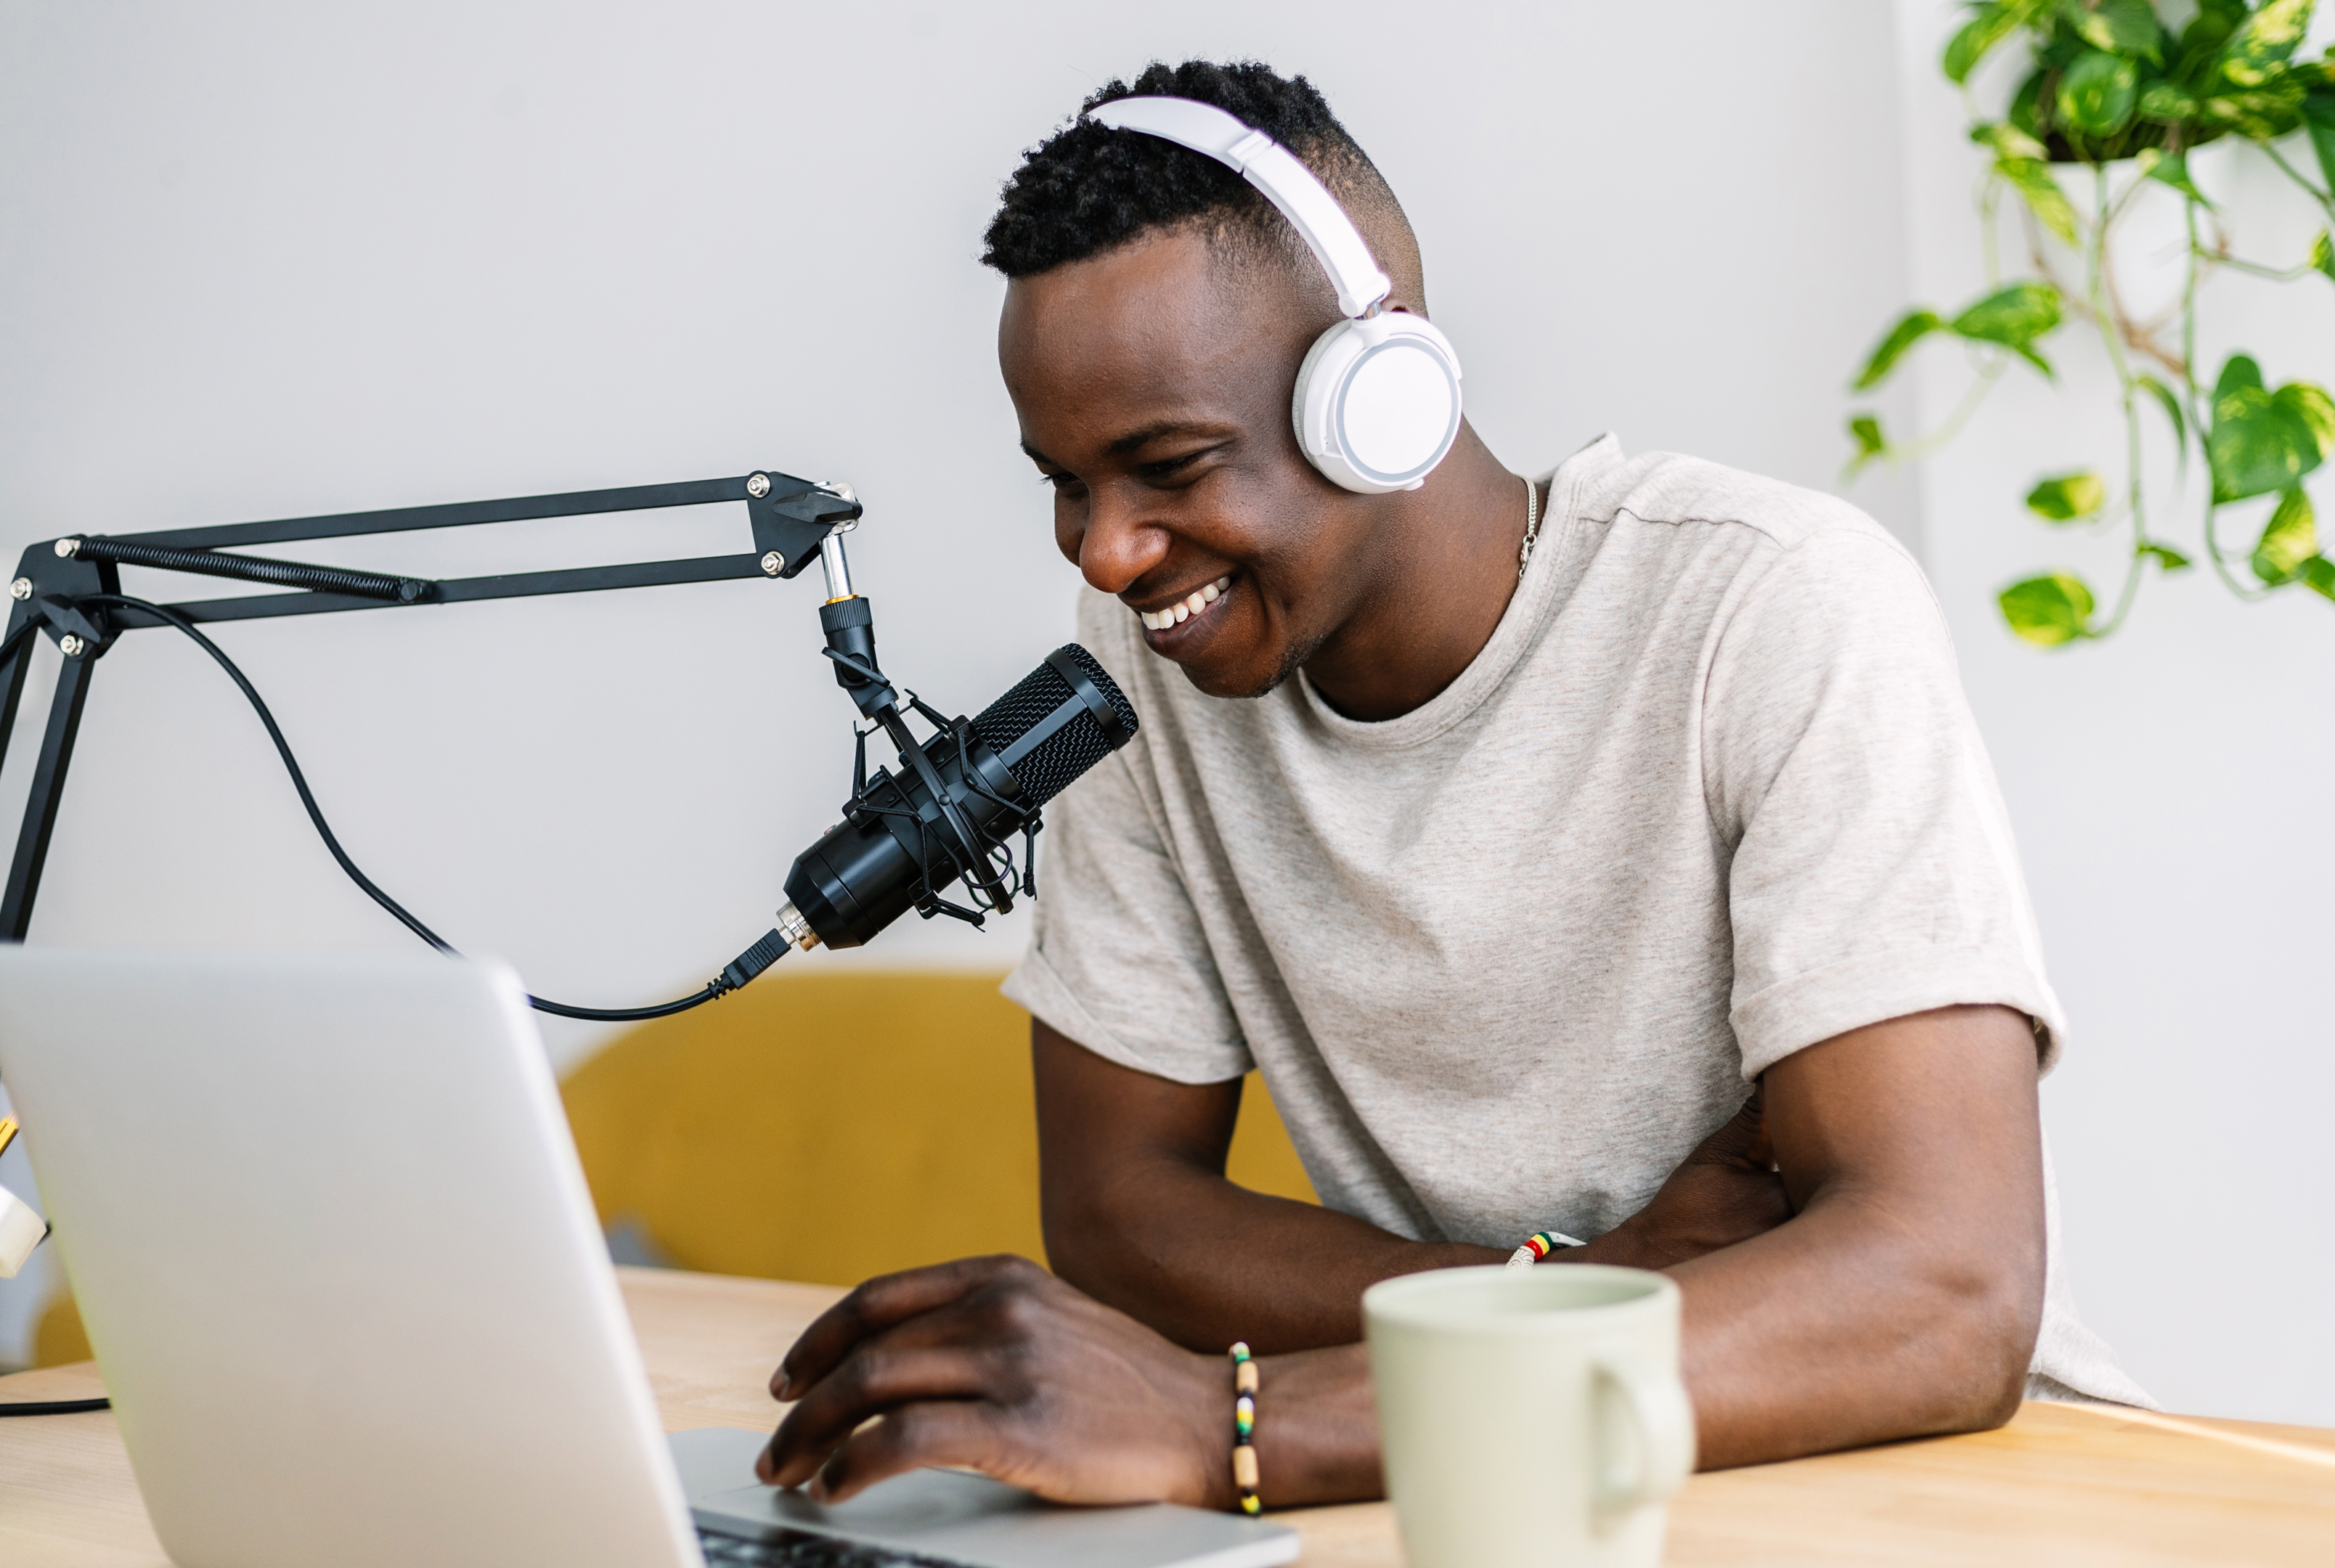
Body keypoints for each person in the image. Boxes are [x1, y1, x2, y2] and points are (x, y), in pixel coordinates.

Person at [758, 58, 2151, 1512]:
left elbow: (1940, 1290)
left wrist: (1239, 1428)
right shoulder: (1148, 661)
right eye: (1067, 483)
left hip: (1916, 1484)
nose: (1106, 553)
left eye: (1165, 465)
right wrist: (1556, 1296)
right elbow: (1119, 1215)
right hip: (1493, 1485)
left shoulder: (1774, 606)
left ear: (1386, 398)